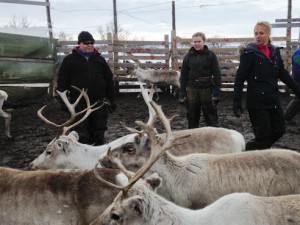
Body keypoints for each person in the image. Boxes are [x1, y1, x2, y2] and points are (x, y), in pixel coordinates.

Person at [233, 21, 300, 150]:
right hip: (256, 101)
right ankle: (253, 154)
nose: (258, 36)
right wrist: (237, 100)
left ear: (268, 34)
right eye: (256, 33)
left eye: (261, 33)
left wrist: (298, 90)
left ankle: (249, 150)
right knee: (263, 135)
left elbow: (283, 73)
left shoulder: (274, 52)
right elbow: (240, 78)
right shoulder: (249, 54)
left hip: (272, 98)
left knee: (280, 129)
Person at [57, 31, 116, 145]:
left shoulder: (100, 60)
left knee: (99, 131)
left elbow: (109, 80)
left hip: (98, 103)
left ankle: (97, 157)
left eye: (91, 42)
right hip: (79, 104)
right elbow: (62, 83)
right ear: (79, 44)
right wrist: (64, 103)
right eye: (86, 42)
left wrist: (111, 100)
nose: (89, 45)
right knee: (81, 133)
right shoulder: (69, 60)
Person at [179, 31, 222, 129]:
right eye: (195, 42)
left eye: (199, 41)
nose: (197, 44)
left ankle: (213, 135)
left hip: (207, 89)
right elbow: (184, 75)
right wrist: (182, 92)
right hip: (192, 89)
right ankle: (193, 136)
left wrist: (216, 90)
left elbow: (217, 73)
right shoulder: (188, 56)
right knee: (192, 115)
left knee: (210, 114)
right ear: (192, 43)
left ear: (204, 42)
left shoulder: (210, 55)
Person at [284, 47, 300, 121]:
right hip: (298, 79)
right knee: (298, 99)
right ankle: (286, 117)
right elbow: (297, 72)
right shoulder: (298, 53)